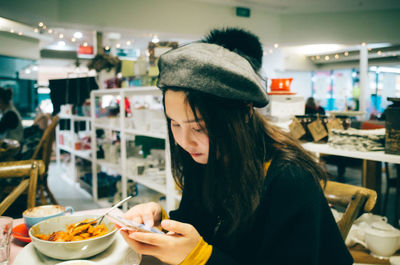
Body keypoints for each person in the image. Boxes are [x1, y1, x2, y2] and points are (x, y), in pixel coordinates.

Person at [120, 28, 353, 265]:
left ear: (243, 115)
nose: (184, 141)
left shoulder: (289, 178)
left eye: (199, 127)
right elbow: (196, 224)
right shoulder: (204, 158)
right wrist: (159, 223)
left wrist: (199, 257)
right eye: (175, 124)